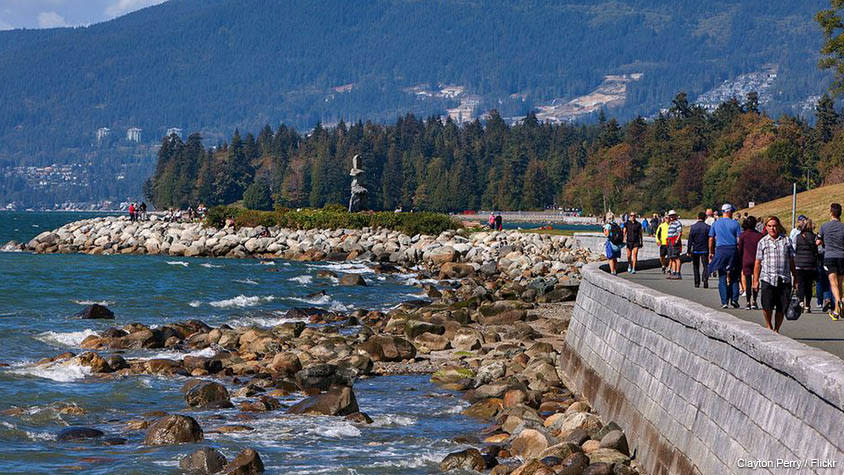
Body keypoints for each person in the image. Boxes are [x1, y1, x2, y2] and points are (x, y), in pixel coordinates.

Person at [752, 216, 795, 333]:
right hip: (767, 278)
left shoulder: (786, 241)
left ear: (778, 226)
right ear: (766, 227)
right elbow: (758, 262)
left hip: (784, 278)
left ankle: (777, 329)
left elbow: (791, 260)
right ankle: (768, 325)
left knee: (781, 307)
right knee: (767, 305)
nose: (772, 229)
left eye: (774, 226)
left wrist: (795, 277)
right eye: (770, 226)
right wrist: (755, 280)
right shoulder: (762, 242)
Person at [709, 203, 742, 308]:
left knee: (722, 276)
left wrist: (711, 252)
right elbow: (738, 240)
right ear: (729, 212)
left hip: (720, 249)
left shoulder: (716, 224)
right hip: (732, 249)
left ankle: (724, 301)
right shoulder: (735, 224)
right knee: (734, 276)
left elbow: (711, 238)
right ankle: (734, 299)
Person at [817, 203, 844, 320]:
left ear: (831, 212)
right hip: (842, 257)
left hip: (829, 256)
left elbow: (818, 241)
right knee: (840, 283)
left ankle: (839, 302)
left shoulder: (824, 226)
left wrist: (823, 243)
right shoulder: (843, 227)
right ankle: (837, 311)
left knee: (833, 283)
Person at [793, 218, 818, 313]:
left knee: (801, 284)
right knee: (809, 285)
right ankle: (808, 305)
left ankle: (801, 301)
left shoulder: (798, 237)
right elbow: (818, 250)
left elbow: (794, 249)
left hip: (799, 264)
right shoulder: (814, 237)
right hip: (811, 264)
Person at [737, 216, 763, 310]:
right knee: (755, 280)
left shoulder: (743, 235)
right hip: (757, 260)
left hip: (746, 260)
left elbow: (740, 249)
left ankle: (748, 301)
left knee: (747, 281)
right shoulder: (760, 236)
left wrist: (739, 260)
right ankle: (754, 301)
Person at [687, 212, 711, 288]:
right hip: (705, 249)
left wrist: (688, 250)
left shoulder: (693, 227)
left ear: (697, 217)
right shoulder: (708, 227)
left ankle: (697, 282)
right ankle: (705, 279)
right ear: (705, 218)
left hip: (696, 249)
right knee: (705, 265)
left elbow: (690, 240)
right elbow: (710, 239)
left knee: (696, 266)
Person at [665, 210, 683, 279]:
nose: (671, 217)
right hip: (669, 241)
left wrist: (677, 240)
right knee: (672, 258)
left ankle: (678, 272)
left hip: (674, 241)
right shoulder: (670, 223)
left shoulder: (677, 223)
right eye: (670, 216)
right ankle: (673, 272)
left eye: (672, 215)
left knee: (676, 257)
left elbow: (679, 232)